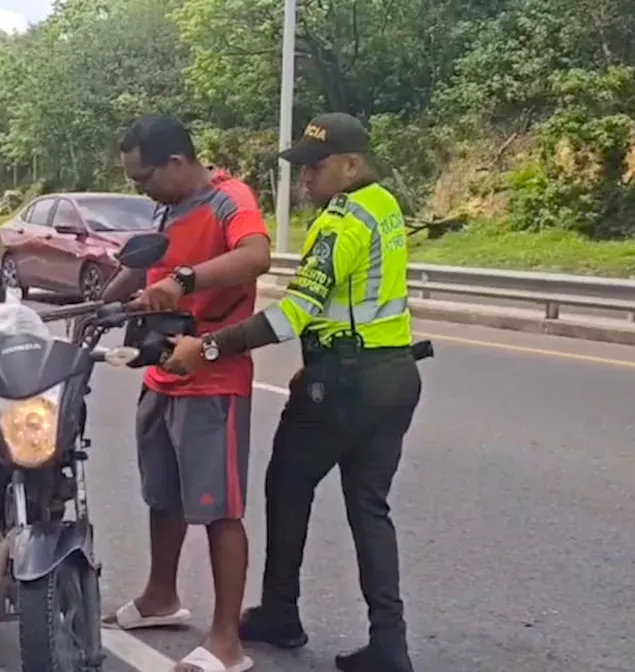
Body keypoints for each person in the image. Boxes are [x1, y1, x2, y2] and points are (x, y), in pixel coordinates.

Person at [161, 112, 424, 672]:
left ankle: (280, 611)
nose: (304, 177)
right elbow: (348, 305)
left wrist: (208, 348)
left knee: (286, 485)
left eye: (316, 165)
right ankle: (390, 642)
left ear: (351, 164)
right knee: (369, 508)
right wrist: (317, 359)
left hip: (347, 384)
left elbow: (295, 314)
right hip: (393, 374)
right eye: (301, 166)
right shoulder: (386, 206)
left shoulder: (340, 223)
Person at [100, 115, 272, 672]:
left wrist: (188, 280)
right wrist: (105, 302)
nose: (139, 189)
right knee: (163, 496)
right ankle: (160, 597)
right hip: (162, 370)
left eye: (142, 178)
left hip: (213, 374)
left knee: (219, 510)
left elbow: (255, 257)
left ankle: (227, 641)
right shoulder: (168, 207)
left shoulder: (229, 199)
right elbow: (149, 264)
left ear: (175, 163)